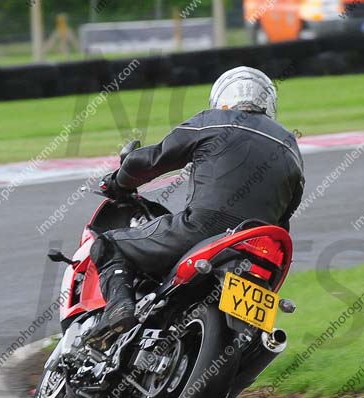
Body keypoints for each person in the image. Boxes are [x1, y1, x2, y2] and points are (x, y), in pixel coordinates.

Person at [86, 66, 304, 348]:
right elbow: (288, 209)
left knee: (108, 245)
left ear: (222, 98)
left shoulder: (213, 120)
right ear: (269, 104)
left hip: (205, 228)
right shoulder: (290, 146)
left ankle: (119, 309)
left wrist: (120, 182)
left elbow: (153, 159)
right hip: (266, 248)